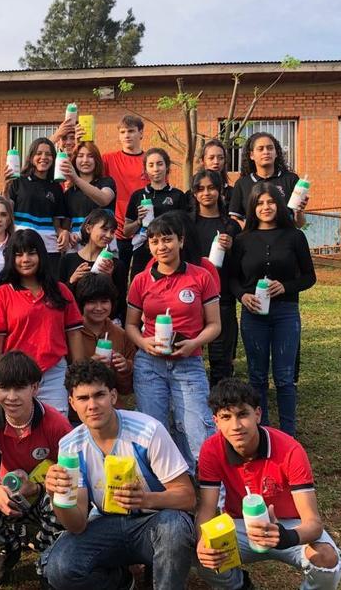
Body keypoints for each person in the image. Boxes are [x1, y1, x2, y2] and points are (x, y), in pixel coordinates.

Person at [42, 360, 197, 590]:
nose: (92, 405)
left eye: (99, 395)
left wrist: (146, 499)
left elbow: (188, 497)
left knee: (175, 528)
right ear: (72, 403)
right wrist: (59, 497)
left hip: (154, 520)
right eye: (83, 398)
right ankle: (122, 582)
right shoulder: (71, 445)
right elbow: (77, 525)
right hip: (107, 524)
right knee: (58, 567)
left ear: (113, 396)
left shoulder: (148, 431)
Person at [196, 379, 341, 589]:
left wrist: (285, 536)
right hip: (240, 525)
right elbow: (206, 510)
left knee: (327, 559)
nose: (236, 426)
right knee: (203, 551)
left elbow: (313, 523)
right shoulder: (211, 450)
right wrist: (203, 542)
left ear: (257, 414)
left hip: (290, 525)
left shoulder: (290, 449)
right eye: (226, 417)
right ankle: (238, 586)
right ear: (216, 422)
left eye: (242, 414)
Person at [0, 351, 72, 585]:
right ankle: (9, 547)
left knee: (62, 500)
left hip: (43, 492)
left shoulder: (56, 424)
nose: (11, 397)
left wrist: (35, 488)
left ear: (35, 388)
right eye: (4, 388)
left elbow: (70, 480)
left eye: (19, 388)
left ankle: (48, 555)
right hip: (8, 493)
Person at [126, 215, 221, 472]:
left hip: (188, 363)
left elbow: (215, 325)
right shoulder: (141, 280)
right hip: (150, 364)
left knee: (196, 428)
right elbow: (131, 325)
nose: (161, 247)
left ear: (181, 241)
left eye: (167, 239)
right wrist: (143, 345)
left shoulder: (201, 277)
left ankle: (203, 486)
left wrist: (194, 344)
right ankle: (161, 486)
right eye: (155, 241)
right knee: (152, 428)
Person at [228, 183, 315, 437]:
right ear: (252, 207)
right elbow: (232, 278)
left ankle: (288, 435)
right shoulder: (242, 240)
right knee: (257, 377)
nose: (265, 207)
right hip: (253, 316)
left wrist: (285, 287)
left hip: (285, 313)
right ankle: (262, 432)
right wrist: (242, 296)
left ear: (279, 204)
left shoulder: (295, 237)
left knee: (285, 377)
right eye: (260, 203)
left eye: (271, 202)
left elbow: (309, 277)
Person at [0, 229, 84, 413]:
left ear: (42, 255)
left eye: (32, 253)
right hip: (13, 376)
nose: (25, 259)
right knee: (17, 432)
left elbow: (74, 335)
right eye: (19, 254)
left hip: (54, 373)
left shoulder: (60, 290)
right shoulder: (3, 293)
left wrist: (79, 380)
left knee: (56, 430)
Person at [190, 168, 242, 388]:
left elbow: (241, 265)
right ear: (194, 193)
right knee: (192, 356)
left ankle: (223, 405)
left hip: (223, 297)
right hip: (192, 297)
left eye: (212, 188)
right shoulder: (188, 224)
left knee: (221, 359)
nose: (206, 193)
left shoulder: (230, 226)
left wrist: (232, 248)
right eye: (200, 189)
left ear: (221, 191)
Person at [5, 136, 71, 274]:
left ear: (54, 158)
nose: (44, 157)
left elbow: (57, 224)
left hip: (49, 248)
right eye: (39, 153)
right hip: (22, 247)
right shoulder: (18, 181)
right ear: (31, 157)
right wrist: (5, 187)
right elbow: (7, 213)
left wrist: (63, 232)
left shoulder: (56, 187)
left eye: (48, 154)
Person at [124, 147, 190, 277]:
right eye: (151, 165)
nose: (156, 169)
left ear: (167, 167)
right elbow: (126, 231)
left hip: (170, 251)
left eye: (160, 164)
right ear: (145, 169)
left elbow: (185, 228)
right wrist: (138, 221)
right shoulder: (138, 195)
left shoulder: (177, 195)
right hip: (142, 252)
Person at [71, 274, 134, 398]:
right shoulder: (72, 334)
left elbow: (126, 390)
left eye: (104, 301)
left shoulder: (121, 334)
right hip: (76, 409)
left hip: (111, 407)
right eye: (92, 302)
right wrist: (87, 367)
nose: (99, 308)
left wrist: (125, 368)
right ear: (81, 304)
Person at [228, 132, 306, 229]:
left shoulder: (291, 179)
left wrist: (299, 212)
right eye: (260, 149)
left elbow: (300, 224)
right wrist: (252, 232)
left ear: (276, 153)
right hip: (255, 242)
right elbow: (235, 219)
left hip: (285, 239)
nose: (266, 152)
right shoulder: (242, 184)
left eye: (270, 148)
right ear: (251, 155)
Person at [58, 208, 127, 313]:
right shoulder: (67, 260)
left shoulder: (116, 265)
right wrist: (72, 281)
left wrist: (109, 280)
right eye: (104, 229)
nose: (109, 235)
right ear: (88, 228)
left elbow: (120, 306)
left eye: (112, 231)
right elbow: (57, 299)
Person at [100, 115, 147, 261]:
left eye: (131, 131)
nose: (126, 135)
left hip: (144, 232)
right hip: (115, 232)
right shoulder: (107, 159)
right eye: (122, 132)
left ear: (141, 133)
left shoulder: (151, 162)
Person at [61, 140, 116, 247]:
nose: (85, 160)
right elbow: (66, 226)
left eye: (90, 156)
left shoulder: (106, 182)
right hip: (77, 246)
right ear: (74, 160)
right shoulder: (69, 193)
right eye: (80, 156)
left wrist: (76, 179)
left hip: (104, 244)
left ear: (97, 160)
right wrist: (67, 234)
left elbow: (104, 199)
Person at [198, 139, 234, 210]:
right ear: (202, 161)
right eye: (211, 158)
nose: (216, 162)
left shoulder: (233, 193)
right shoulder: (193, 192)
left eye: (221, 158)